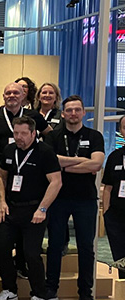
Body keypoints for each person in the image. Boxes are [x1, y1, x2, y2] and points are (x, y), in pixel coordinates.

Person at [0, 82, 51, 279]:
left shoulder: (34, 117)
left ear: (24, 96)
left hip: (28, 175)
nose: (12, 95)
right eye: (8, 93)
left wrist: (47, 157)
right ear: (3, 97)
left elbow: (50, 135)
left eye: (16, 93)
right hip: (0, 174)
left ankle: (21, 264)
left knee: (24, 221)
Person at [0, 116, 62, 300]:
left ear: (33, 133)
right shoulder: (9, 150)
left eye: (23, 133)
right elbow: (1, 177)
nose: (19, 137)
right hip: (11, 209)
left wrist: (43, 209)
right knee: (1, 249)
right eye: (16, 133)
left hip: (34, 210)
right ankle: (10, 290)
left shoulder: (45, 152)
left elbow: (56, 182)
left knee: (31, 254)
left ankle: (39, 294)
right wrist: (2, 201)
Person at [42, 95, 104, 300]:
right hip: (58, 198)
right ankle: (51, 288)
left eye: (77, 110)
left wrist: (64, 166)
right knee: (55, 245)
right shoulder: (53, 137)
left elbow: (96, 165)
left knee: (86, 247)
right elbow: (50, 162)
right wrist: (81, 161)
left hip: (86, 200)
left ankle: (85, 292)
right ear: (63, 113)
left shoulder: (95, 136)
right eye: (69, 110)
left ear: (84, 113)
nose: (73, 113)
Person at [102, 115, 125, 280]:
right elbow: (108, 187)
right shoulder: (115, 156)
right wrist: (106, 213)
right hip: (116, 216)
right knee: (121, 257)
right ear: (121, 131)